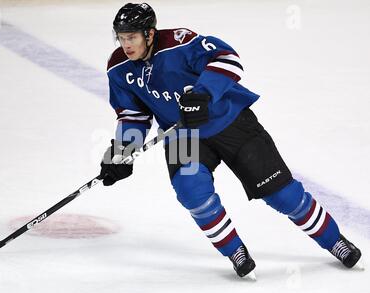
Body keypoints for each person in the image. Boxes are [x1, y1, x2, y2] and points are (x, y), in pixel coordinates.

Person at [99, 2, 362, 278]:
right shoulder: (118, 68)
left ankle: (335, 241)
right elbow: (133, 116)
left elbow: (228, 58)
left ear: (149, 34)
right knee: (191, 192)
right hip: (182, 136)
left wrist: (203, 93)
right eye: (122, 37)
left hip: (231, 122)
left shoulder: (180, 42)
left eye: (132, 37)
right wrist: (121, 152)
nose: (126, 44)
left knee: (282, 195)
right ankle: (235, 250)